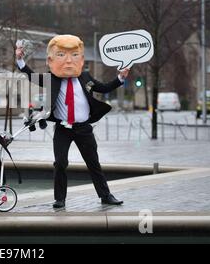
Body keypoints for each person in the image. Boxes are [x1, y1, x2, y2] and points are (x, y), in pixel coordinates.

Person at [15, 35, 129, 209]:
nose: (68, 61)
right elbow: (32, 76)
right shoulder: (52, 78)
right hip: (63, 128)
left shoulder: (85, 77)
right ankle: (60, 199)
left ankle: (105, 195)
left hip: (83, 128)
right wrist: (20, 60)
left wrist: (120, 78)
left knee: (93, 163)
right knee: (60, 163)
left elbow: (104, 87)